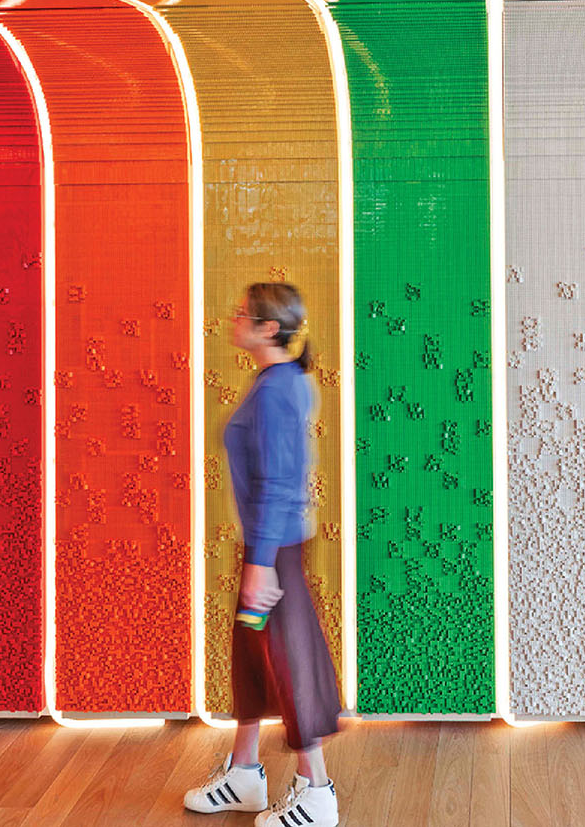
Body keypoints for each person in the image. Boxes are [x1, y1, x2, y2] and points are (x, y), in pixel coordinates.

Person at [184, 281, 342, 825]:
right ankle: (245, 773)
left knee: (287, 657)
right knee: (252, 656)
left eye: (241, 313)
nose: (233, 319)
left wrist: (259, 564)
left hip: (273, 550)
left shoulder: (277, 389)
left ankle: (317, 790)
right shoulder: (280, 380)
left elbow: (279, 480)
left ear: (267, 328)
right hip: (267, 544)